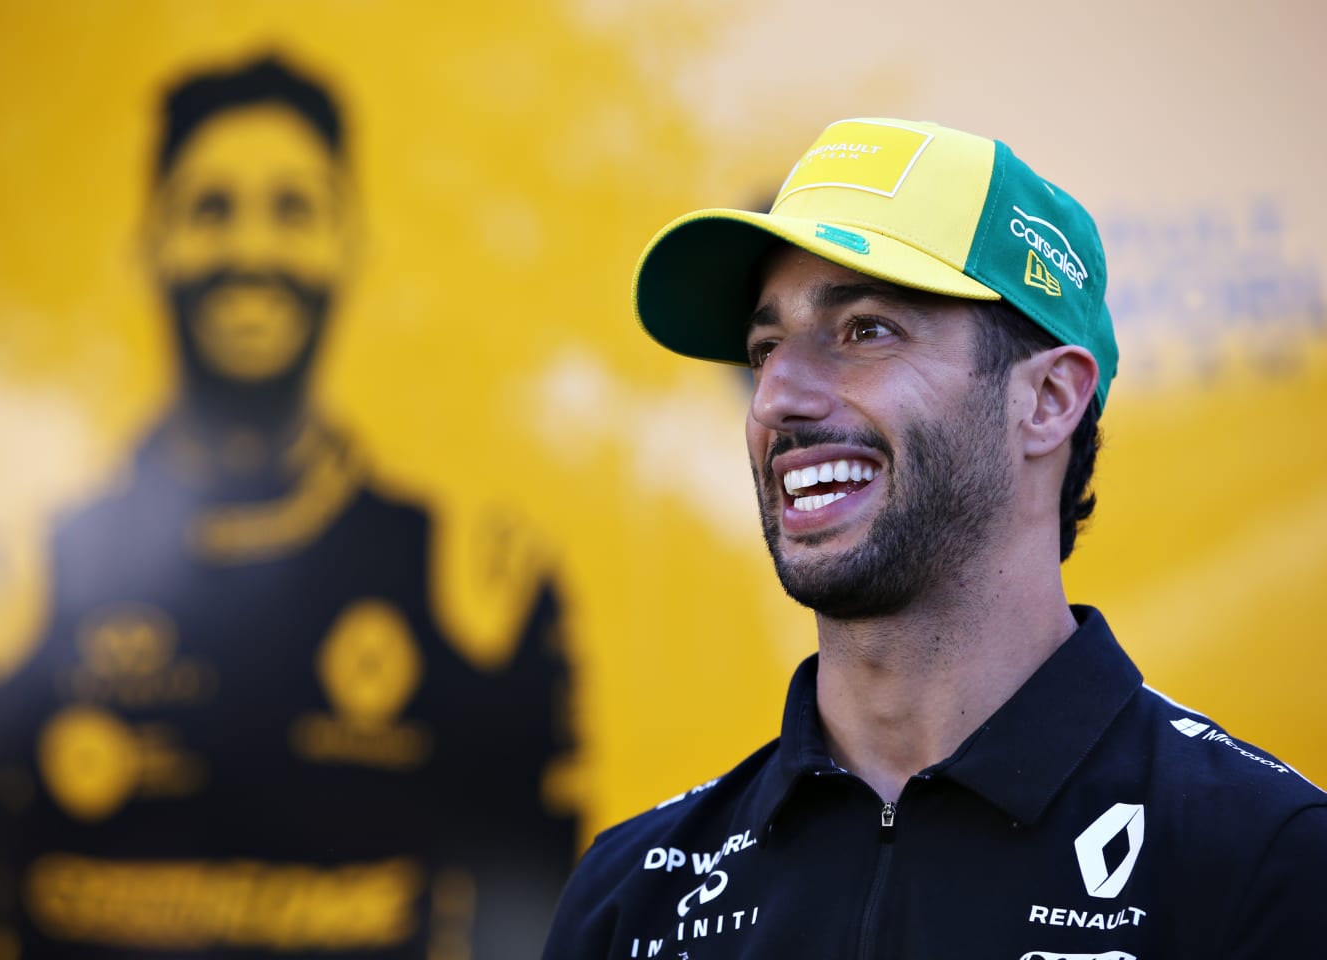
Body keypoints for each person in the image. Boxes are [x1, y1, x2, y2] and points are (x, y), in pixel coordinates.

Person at [542, 117, 1327, 958]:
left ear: (1050, 399)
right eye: (763, 347)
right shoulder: (632, 897)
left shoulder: (1265, 862)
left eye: (866, 329)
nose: (775, 398)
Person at [0, 54, 578, 960]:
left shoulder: (474, 595)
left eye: (293, 209)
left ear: (349, 243)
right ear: (150, 243)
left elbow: (534, 935)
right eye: (211, 209)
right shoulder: (2, 597)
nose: (251, 250)